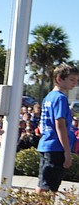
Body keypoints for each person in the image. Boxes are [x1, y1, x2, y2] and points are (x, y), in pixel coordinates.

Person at [36, 63, 79, 193]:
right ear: (59, 79)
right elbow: (60, 125)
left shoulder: (49, 97)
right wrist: (67, 151)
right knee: (49, 187)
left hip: (46, 144)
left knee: (43, 182)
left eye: (76, 80)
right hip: (56, 147)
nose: (74, 83)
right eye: (72, 80)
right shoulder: (60, 98)